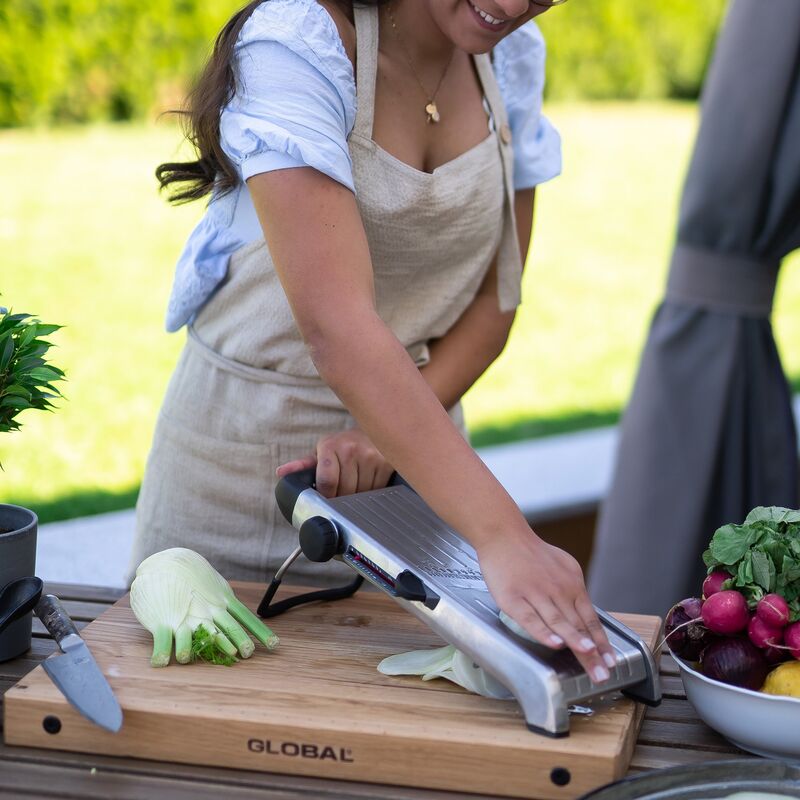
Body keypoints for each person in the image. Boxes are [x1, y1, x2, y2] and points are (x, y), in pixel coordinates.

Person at [129, 0, 616, 684]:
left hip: (423, 471)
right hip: (240, 465)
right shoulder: (295, 43)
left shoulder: (513, 55)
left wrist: (383, 438)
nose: (512, 5)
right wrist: (504, 536)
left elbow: (495, 303)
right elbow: (338, 327)